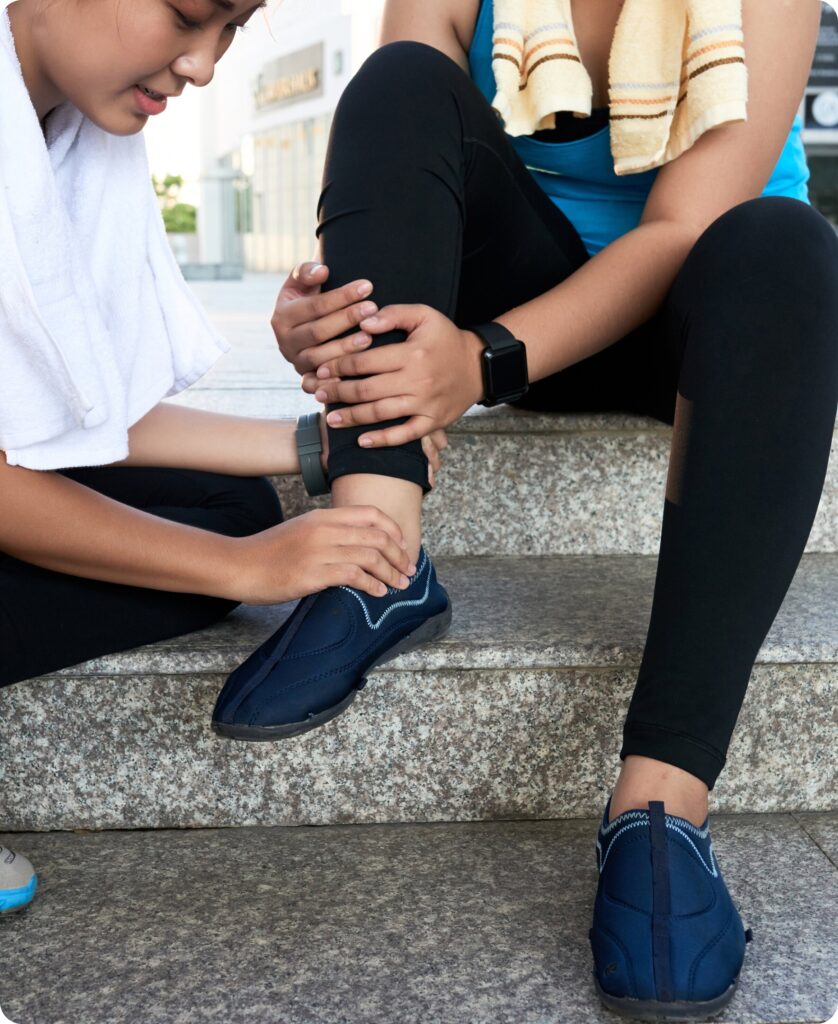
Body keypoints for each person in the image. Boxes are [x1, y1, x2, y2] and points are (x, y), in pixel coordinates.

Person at [213, 0, 838, 1017]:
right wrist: (322, 311)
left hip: (699, 316)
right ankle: (375, 551)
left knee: (786, 243)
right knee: (399, 80)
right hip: (509, 279)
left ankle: (661, 805)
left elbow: (681, 225)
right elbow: (401, 153)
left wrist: (483, 359)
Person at [0, 0, 446, 916]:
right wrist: (243, 568)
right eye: (188, 15)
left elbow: (73, 410)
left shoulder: (74, 127)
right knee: (228, 547)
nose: (204, 65)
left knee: (232, 500)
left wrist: (316, 447)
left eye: (233, 29)